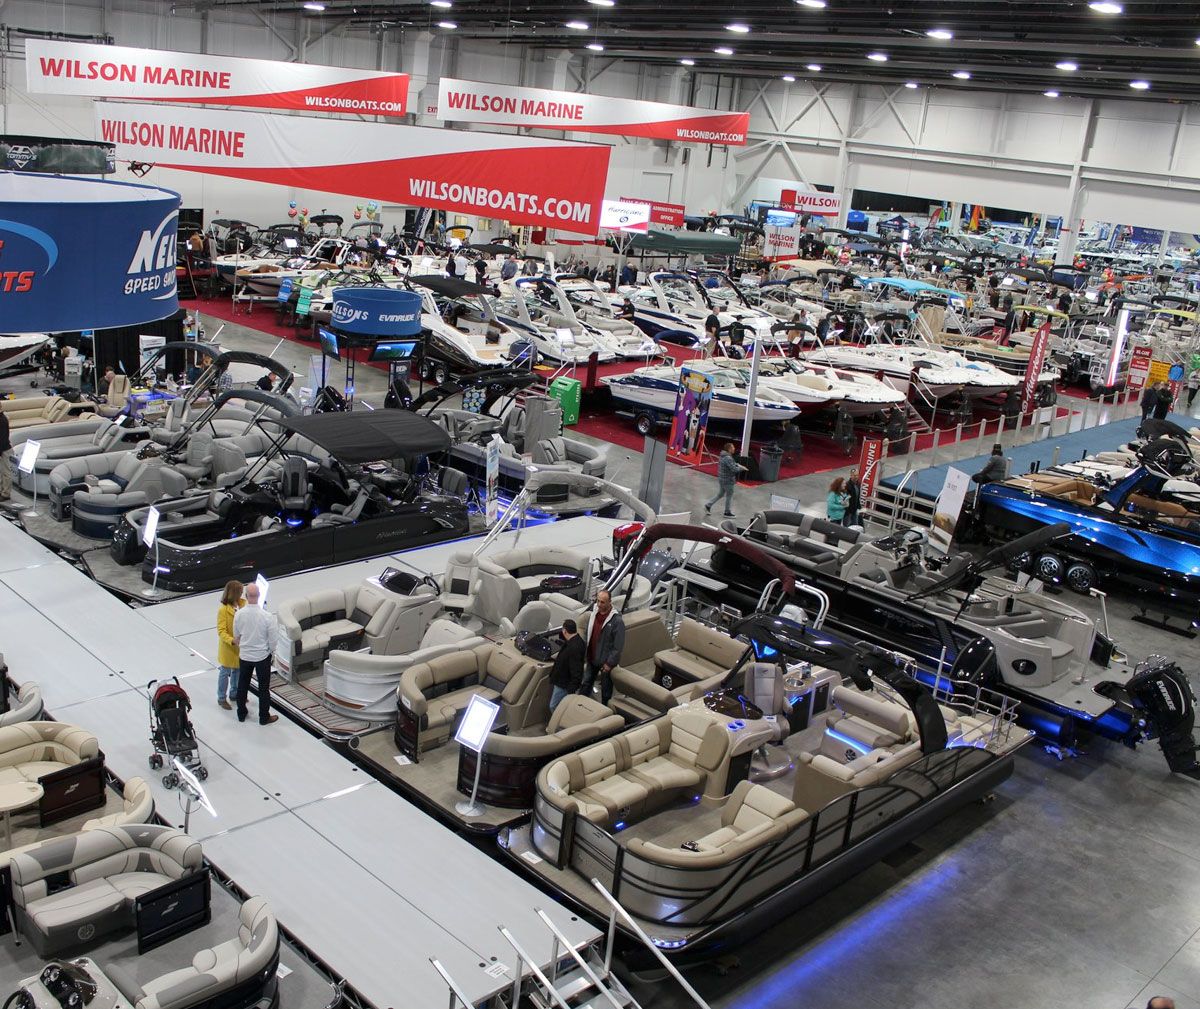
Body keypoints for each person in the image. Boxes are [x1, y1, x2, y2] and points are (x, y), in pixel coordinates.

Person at [232, 582, 279, 725]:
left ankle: (241, 713)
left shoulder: (239, 614)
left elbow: (236, 635)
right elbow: (273, 639)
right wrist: (270, 651)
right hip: (261, 657)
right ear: (259, 596)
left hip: (245, 656)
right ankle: (264, 717)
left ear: (246, 596)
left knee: (242, 685)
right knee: (263, 688)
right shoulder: (267, 616)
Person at [581, 590, 625, 705]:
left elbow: (618, 646)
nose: (599, 604)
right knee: (586, 684)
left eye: (602, 602)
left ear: (610, 602)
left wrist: (609, 663)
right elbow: (588, 633)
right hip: (591, 658)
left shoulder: (617, 621)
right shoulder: (593, 613)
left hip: (605, 663)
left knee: (606, 691)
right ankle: (580, 705)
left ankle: (605, 710)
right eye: (598, 601)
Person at [215, 580, 245, 710]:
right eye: (240, 592)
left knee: (237, 671)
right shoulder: (223, 610)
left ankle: (234, 694)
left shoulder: (243, 605)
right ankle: (221, 698)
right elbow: (221, 631)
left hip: (240, 647)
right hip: (228, 648)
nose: (242, 593)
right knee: (225, 672)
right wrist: (232, 640)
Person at [548, 618, 585, 712]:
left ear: (564, 631)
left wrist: (571, 689)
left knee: (554, 706)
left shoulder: (574, 647)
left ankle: (558, 721)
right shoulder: (576, 641)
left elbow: (576, 670)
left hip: (564, 683)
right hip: (564, 681)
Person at [704, 442, 746, 517]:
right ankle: (727, 512)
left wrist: (737, 464)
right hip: (727, 480)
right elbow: (734, 469)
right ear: (729, 449)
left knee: (720, 494)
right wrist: (741, 468)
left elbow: (730, 464)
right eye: (733, 447)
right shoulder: (728, 458)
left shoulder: (723, 455)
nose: (734, 448)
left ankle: (708, 505)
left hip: (722, 478)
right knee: (729, 496)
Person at [0, 407, 10, 502]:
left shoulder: (2, 420)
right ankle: (1, 490)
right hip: (2, 449)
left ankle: (6, 494)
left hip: (5, 450)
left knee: (6, 473)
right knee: (1, 472)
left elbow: (3, 439)